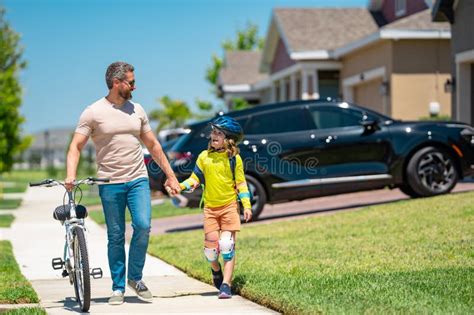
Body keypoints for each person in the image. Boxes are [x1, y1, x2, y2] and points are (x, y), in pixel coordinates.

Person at [66, 61, 181, 305]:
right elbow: (75, 146)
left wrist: (170, 175)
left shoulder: (137, 110)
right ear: (117, 83)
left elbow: (153, 145)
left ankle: (135, 278)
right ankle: (118, 287)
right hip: (109, 183)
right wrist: (70, 175)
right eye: (131, 82)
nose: (135, 86)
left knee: (143, 225)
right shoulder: (93, 112)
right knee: (116, 236)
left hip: (138, 179)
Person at [170, 116, 252, 299]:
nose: (213, 135)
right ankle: (216, 271)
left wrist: (246, 205)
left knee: (226, 245)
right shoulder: (204, 157)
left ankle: (226, 284)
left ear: (229, 138)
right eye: (213, 132)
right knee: (211, 251)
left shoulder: (234, 159)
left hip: (229, 207)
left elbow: (241, 184)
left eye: (218, 133)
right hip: (210, 210)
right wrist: (181, 186)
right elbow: (194, 179)